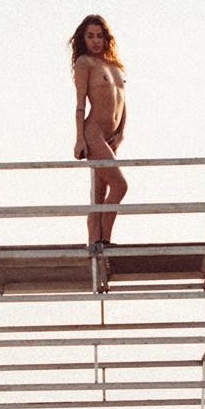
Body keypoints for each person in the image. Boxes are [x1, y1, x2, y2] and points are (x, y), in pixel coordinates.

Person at [71, 14, 127, 249]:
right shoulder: (84, 63)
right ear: (83, 39)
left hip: (111, 136)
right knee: (120, 186)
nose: (95, 41)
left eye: (99, 36)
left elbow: (123, 102)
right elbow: (80, 104)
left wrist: (121, 133)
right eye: (90, 36)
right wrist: (79, 139)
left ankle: (96, 242)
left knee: (99, 194)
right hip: (93, 133)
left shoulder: (115, 66)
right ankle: (103, 241)